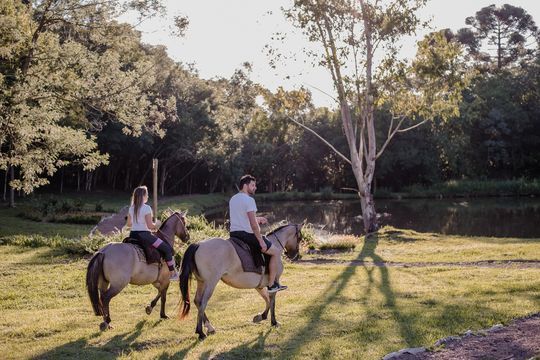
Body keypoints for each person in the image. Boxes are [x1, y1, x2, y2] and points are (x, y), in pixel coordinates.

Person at [229, 175, 287, 293]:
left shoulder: (233, 199)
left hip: (234, 234)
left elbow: (242, 217)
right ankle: (271, 285)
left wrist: (257, 218)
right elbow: (253, 225)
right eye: (253, 185)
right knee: (275, 252)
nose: (255, 188)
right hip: (247, 235)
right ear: (245, 185)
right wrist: (260, 240)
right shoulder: (249, 200)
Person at [125, 185, 179, 281]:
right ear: (143, 196)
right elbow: (150, 226)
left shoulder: (131, 208)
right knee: (167, 249)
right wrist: (157, 224)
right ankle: (173, 273)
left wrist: (138, 223)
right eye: (147, 195)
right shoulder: (146, 208)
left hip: (133, 235)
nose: (148, 197)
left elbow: (129, 224)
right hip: (144, 236)